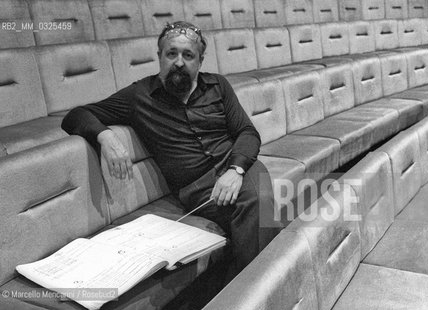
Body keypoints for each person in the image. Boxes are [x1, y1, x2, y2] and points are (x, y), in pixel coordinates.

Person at [61, 21, 280, 278]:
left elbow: (247, 132)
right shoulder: (139, 96)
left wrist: (236, 169)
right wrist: (105, 136)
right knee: (258, 214)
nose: (178, 62)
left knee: (258, 201)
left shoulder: (218, 86)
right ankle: (261, 288)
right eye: (171, 53)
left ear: (200, 61)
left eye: (188, 55)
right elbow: (75, 115)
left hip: (239, 167)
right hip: (199, 188)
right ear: (159, 57)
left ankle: (252, 289)